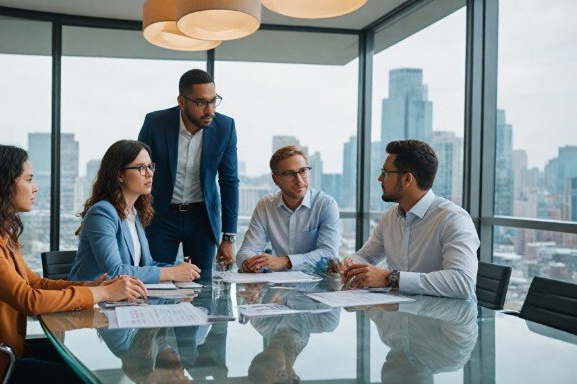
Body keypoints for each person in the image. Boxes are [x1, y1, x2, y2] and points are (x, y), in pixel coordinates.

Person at [0, 144, 146, 384]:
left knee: (83, 369)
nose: (35, 187)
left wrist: (88, 285)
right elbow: (27, 300)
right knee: (87, 380)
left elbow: (34, 283)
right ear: (2, 184)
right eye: (29, 179)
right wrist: (102, 293)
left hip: (4, 354)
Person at [342, 140, 480, 299]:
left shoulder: (453, 219)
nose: (380, 178)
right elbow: (367, 256)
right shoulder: (390, 217)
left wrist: (390, 278)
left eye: (386, 173)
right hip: (399, 314)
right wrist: (350, 264)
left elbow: (462, 283)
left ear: (407, 180)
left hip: (443, 319)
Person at [138, 69, 239, 273]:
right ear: (181, 102)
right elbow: (138, 171)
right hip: (161, 216)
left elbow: (229, 181)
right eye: (202, 102)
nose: (210, 110)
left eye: (214, 101)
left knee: (202, 287)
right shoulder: (155, 123)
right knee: (155, 281)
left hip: (201, 218)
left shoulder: (225, 127)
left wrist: (228, 237)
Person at [68, 140, 201, 283]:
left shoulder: (133, 214)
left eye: (150, 167)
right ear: (120, 175)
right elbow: (115, 271)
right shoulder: (102, 213)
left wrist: (180, 270)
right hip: (93, 301)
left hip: (124, 299)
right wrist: (172, 273)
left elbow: (147, 265)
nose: (149, 173)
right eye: (141, 168)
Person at [237, 145, 340, 273]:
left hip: (318, 283)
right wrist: (249, 263)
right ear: (275, 179)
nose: (299, 180)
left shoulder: (325, 204)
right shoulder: (266, 205)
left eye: (303, 171)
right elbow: (247, 250)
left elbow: (329, 253)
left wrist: (286, 262)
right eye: (289, 174)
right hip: (280, 286)